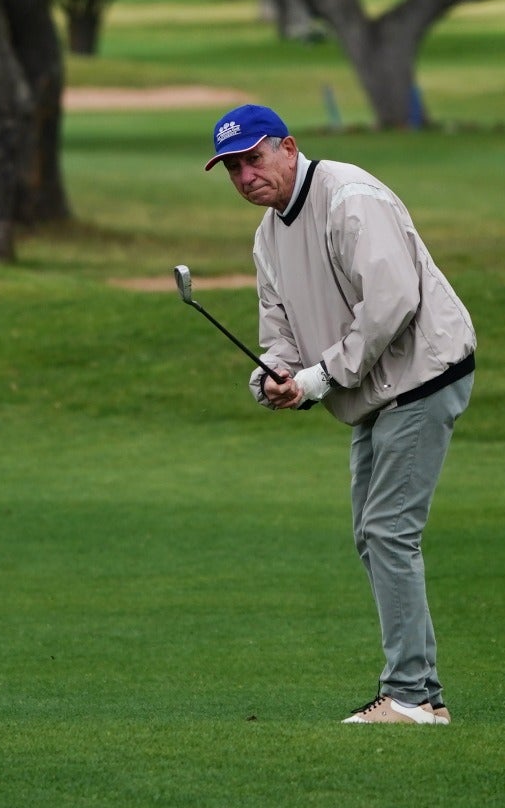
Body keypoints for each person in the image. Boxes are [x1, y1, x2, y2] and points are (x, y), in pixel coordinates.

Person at [204, 103, 476, 725]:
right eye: (233, 169)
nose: (246, 176)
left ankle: (407, 697)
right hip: (371, 390)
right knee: (372, 534)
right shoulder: (268, 235)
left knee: (387, 530)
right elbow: (281, 335)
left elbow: (393, 302)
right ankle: (423, 696)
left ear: (289, 147)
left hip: (424, 373)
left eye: (254, 158)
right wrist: (273, 376)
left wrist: (322, 377)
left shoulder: (349, 198)